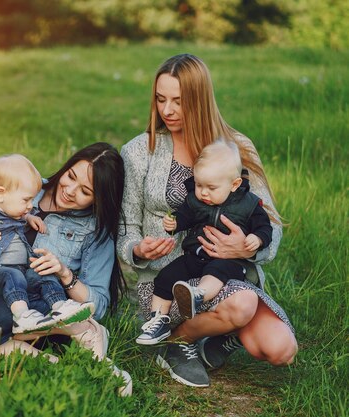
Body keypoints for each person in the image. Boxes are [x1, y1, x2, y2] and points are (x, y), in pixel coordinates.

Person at [117, 53, 297, 387]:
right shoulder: (139, 151)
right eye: (160, 99)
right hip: (165, 286)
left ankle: (211, 337)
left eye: (179, 101)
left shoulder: (237, 148)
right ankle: (177, 341)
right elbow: (126, 229)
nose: (167, 110)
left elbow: (270, 225)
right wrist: (138, 248)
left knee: (281, 349)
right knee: (242, 306)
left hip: (224, 278)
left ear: (200, 101)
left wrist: (245, 247)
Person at [0, 142, 132, 395]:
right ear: (67, 166)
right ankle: (74, 364)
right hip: (1, 294)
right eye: (70, 176)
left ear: (99, 198)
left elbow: (101, 303)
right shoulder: (25, 185)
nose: (70, 190)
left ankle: (77, 329)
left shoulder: (96, 231)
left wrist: (64, 274)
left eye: (85, 191)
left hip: (42, 300)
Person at [135, 139, 272, 345]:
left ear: (234, 184)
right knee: (166, 276)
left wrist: (256, 238)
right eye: (199, 185)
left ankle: (198, 295)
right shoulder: (196, 200)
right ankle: (157, 321)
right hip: (196, 255)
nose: (203, 192)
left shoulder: (249, 204)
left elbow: (265, 227)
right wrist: (174, 224)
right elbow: (185, 217)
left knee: (216, 271)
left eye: (211, 187)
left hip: (228, 261)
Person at [0, 154, 95, 334]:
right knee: (13, 276)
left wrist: (29, 217)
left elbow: (12, 214)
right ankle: (22, 317)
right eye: (26, 201)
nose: (30, 205)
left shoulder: (11, 207)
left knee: (41, 273)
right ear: (1, 194)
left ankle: (61, 307)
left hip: (21, 270)